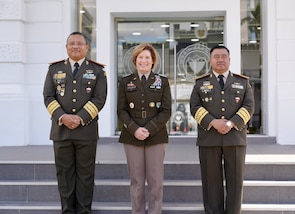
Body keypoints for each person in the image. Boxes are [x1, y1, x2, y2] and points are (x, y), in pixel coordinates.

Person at [43, 31, 107, 214]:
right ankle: (67, 211)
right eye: (72, 43)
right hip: (61, 131)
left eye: (80, 43)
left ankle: (84, 211)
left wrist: (79, 118)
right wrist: (63, 117)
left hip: (86, 131)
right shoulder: (54, 69)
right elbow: (48, 97)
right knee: (64, 175)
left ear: (87, 47)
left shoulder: (97, 71)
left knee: (86, 175)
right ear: (66, 47)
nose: (76, 46)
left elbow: (99, 98)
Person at [189, 45, 254, 214]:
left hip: (235, 138)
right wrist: (213, 122)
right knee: (211, 184)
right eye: (216, 56)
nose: (220, 59)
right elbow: (194, 107)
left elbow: (249, 106)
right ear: (210, 60)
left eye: (224, 56)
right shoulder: (200, 83)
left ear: (229, 60)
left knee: (235, 183)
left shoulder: (243, 82)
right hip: (209, 138)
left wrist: (231, 123)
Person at [117, 43, 172, 214]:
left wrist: (148, 129)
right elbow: (121, 110)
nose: (143, 60)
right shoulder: (126, 82)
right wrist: (135, 129)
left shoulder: (162, 82)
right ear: (135, 60)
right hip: (132, 136)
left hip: (156, 136)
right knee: (137, 182)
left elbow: (166, 110)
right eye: (140, 57)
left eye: (147, 57)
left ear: (153, 61)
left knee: (155, 182)